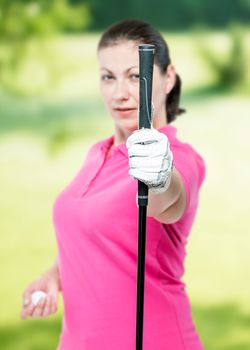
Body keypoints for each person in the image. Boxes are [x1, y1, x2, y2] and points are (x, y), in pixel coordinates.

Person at [21, 19, 206, 350]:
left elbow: (171, 198)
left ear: (167, 78)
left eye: (136, 76)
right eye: (108, 77)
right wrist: (54, 276)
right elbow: (95, 236)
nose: (120, 93)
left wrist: (160, 175)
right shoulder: (98, 153)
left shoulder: (180, 158)